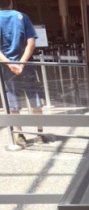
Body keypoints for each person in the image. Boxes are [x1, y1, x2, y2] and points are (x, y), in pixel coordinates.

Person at [0, 0, 47, 148]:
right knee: (34, 98)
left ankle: (19, 135)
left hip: (6, 68)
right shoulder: (22, 16)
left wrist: (10, 64)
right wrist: (21, 63)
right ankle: (40, 134)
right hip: (27, 66)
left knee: (13, 102)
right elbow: (31, 43)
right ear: (11, 3)